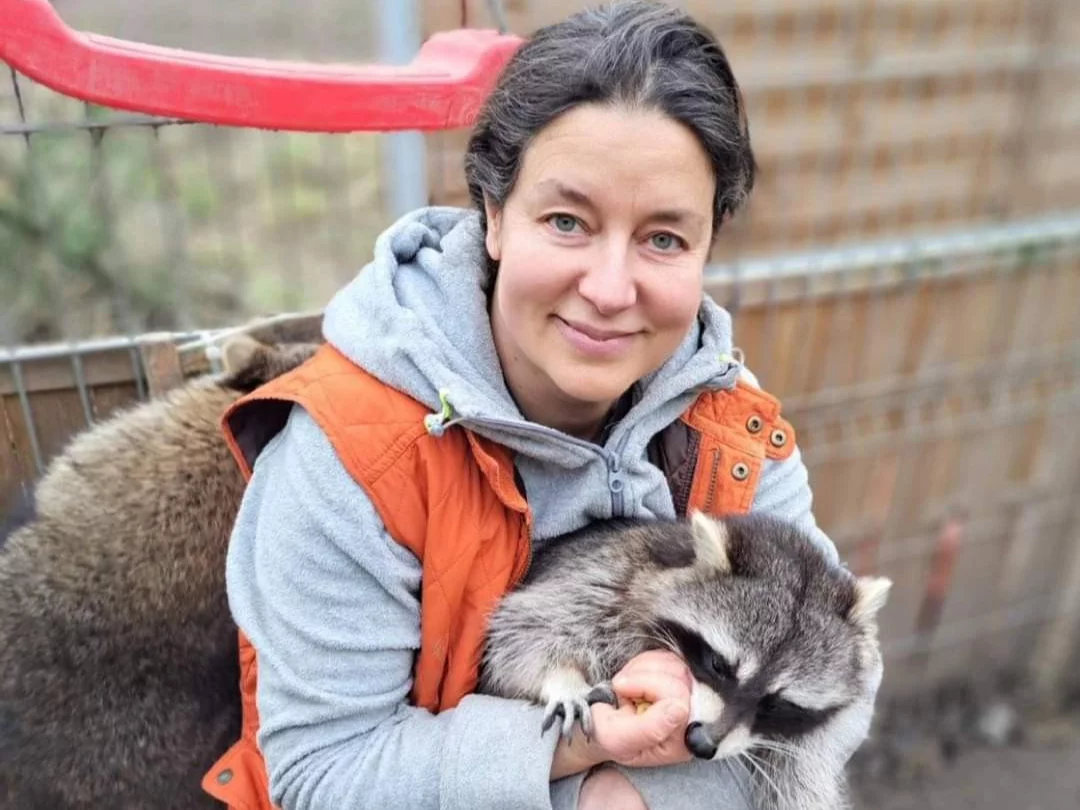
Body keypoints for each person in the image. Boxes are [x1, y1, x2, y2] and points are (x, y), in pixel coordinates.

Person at [202, 2, 880, 808]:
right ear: (491, 215)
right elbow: (324, 777)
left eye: (664, 238)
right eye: (567, 221)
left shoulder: (731, 424)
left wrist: (642, 792)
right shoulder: (353, 453)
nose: (608, 288)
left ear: (707, 247)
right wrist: (589, 758)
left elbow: (844, 680)